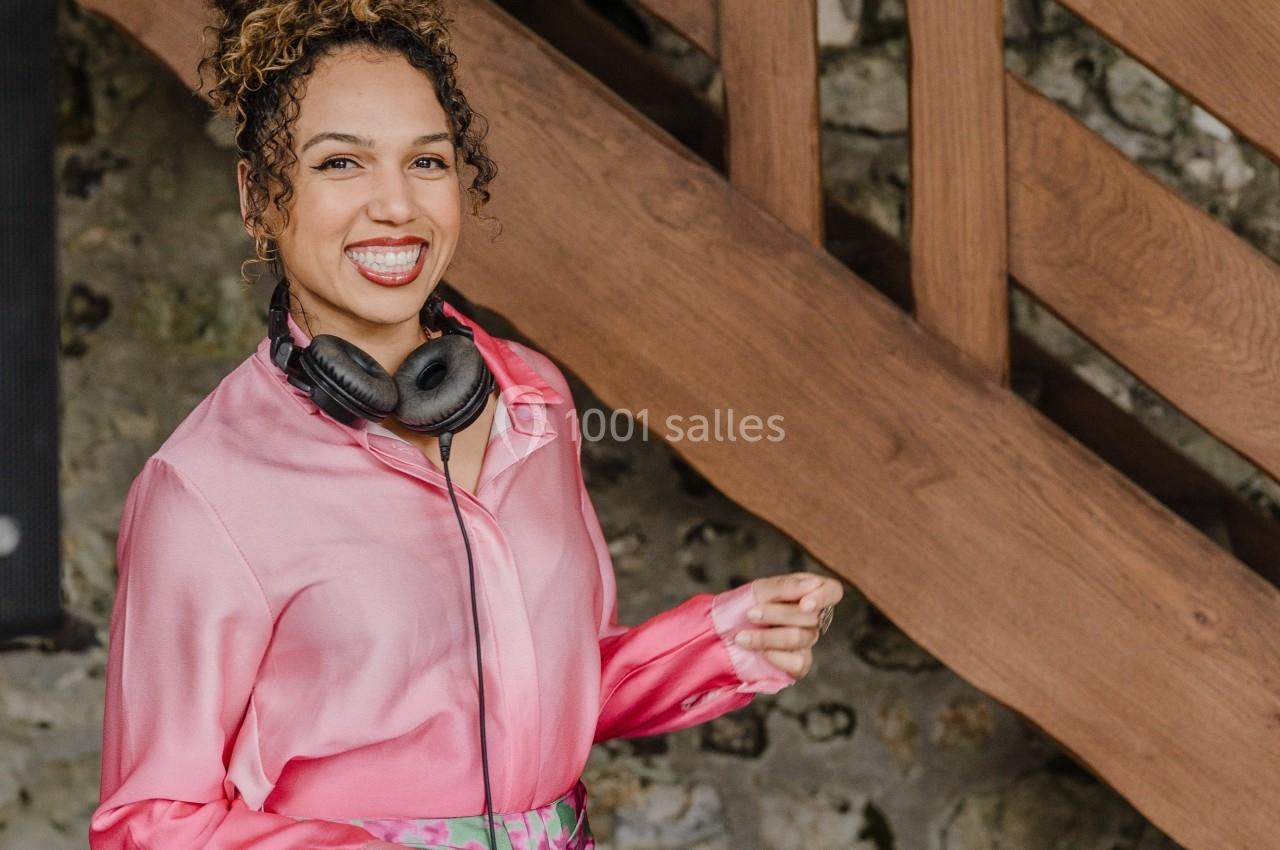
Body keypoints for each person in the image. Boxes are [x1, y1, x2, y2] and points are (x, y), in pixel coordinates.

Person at [88, 1, 843, 848]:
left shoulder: (534, 401)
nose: (396, 205)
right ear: (261, 197)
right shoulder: (204, 488)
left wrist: (720, 641)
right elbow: (148, 823)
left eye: (427, 161)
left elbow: (552, 686)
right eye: (341, 162)